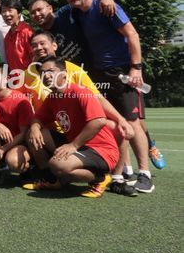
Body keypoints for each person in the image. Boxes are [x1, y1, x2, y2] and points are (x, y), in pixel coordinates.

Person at [64, 0, 154, 193]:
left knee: (132, 122)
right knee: (113, 121)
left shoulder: (107, 7)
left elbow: (132, 34)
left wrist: (136, 67)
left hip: (122, 71)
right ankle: (124, 172)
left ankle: (145, 174)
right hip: (98, 74)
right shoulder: (78, 12)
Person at [23, 57, 121, 198]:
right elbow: (38, 119)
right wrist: (34, 128)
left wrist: (73, 146)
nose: (47, 76)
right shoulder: (52, 98)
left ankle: (100, 178)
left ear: (64, 74)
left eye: (51, 71)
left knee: (58, 164)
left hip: (101, 149)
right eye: (43, 73)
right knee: (36, 134)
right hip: (78, 145)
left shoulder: (80, 91)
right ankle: (51, 180)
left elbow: (99, 121)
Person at [1, 0, 33, 72]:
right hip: (14, 80)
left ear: (19, 13)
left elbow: (35, 57)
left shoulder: (26, 32)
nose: (6, 14)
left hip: (29, 79)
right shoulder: (7, 37)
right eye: (3, 11)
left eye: (10, 10)